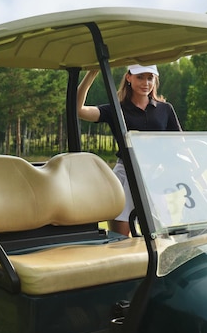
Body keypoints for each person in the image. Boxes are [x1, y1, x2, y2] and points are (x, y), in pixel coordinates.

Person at [77, 64, 182, 236]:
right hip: (125, 175)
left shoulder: (165, 109)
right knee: (121, 240)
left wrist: (199, 177)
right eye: (140, 77)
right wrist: (92, 74)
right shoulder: (115, 109)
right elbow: (79, 110)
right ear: (128, 78)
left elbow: (180, 144)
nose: (145, 83)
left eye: (150, 78)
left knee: (162, 238)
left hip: (154, 177)